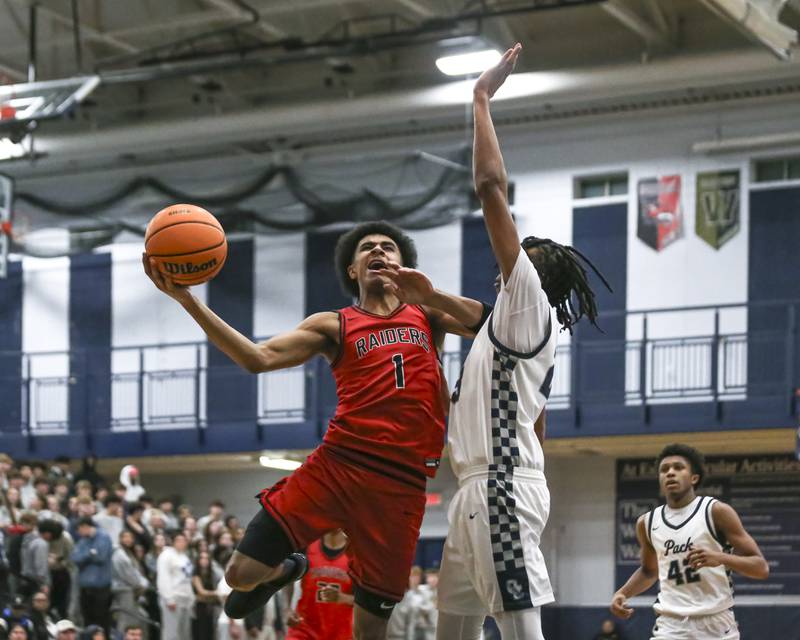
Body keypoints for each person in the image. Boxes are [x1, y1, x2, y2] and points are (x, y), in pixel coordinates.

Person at [143, 216, 482, 640]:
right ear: (352, 271)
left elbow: (491, 323)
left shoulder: (428, 315)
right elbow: (257, 357)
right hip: (338, 465)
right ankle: (289, 568)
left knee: (370, 628)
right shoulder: (332, 324)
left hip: (402, 483)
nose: (378, 250)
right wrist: (187, 300)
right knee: (239, 575)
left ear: (404, 267)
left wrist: (430, 293)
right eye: (367, 248)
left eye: (388, 247)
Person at [380, 44, 610, 640]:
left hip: (500, 487)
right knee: (452, 627)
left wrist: (480, 97)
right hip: (482, 488)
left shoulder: (527, 296)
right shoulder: (509, 325)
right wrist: (426, 296)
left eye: (517, 257)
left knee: (518, 628)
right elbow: (472, 320)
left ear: (533, 275)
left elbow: (489, 188)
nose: (505, 259)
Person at [610, 443, 769, 640]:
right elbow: (649, 571)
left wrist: (720, 557)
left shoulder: (715, 511)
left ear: (694, 478)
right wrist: (623, 593)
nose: (670, 473)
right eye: (664, 469)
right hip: (671, 625)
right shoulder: (647, 522)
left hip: (716, 623)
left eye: (678, 467)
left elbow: (760, 567)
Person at [284, 529, 353, 640]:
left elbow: (366, 601)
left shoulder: (357, 551)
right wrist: (287, 609)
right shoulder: (306, 545)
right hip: (304, 628)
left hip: (341, 633)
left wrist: (342, 598)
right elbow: (288, 577)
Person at [72, 516, 113, 633]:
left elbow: (101, 556)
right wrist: (90, 553)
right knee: (87, 620)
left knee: (101, 620)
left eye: (79, 529)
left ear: (85, 527)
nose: (78, 533)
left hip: (101, 587)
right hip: (85, 587)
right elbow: (75, 558)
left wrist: (86, 556)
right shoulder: (83, 540)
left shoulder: (103, 537)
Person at [156, 532, 195, 640]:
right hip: (174, 598)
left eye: (184, 540)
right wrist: (169, 599)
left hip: (185, 598)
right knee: (171, 633)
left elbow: (187, 579)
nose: (182, 543)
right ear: (173, 541)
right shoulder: (166, 555)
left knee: (184, 633)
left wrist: (191, 597)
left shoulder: (184, 556)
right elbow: (163, 578)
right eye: (179, 540)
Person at [112, 530, 150, 637]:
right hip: (124, 591)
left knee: (142, 618)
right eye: (125, 537)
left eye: (130, 537)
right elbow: (130, 577)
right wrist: (142, 584)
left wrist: (143, 583)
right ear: (120, 539)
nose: (128, 539)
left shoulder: (128, 553)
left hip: (132, 591)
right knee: (125, 621)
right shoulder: (119, 554)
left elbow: (136, 573)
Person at [192, 550, 221, 640]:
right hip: (200, 607)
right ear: (198, 561)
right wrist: (217, 593)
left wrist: (212, 595)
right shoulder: (195, 576)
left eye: (206, 558)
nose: (204, 560)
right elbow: (201, 592)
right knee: (201, 632)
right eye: (202, 558)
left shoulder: (212, 575)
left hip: (211, 607)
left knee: (210, 632)